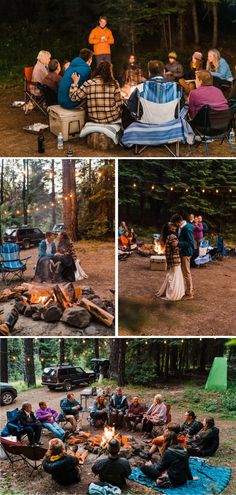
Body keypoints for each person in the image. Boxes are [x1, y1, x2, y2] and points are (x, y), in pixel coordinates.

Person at [156, 222, 185, 301]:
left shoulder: (168, 236)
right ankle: (174, 294)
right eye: (172, 225)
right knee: (175, 276)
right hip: (175, 259)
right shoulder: (172, 236)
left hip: (172, 259)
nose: (174, 226)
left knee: (172, 275)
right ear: (170, 228)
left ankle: (170, 291)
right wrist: (180, 247)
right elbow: (175, 248)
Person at [170, 214, 194, 300]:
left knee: (186, 273)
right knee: (185, 272)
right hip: (183, 252)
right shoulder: (182, 227)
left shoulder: (187, 228)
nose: (175, 225)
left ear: (179, 221)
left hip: (186, 253)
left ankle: (189, 293)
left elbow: (191, 243)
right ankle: (188, 290)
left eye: (175, 223)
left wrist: (178, 244)